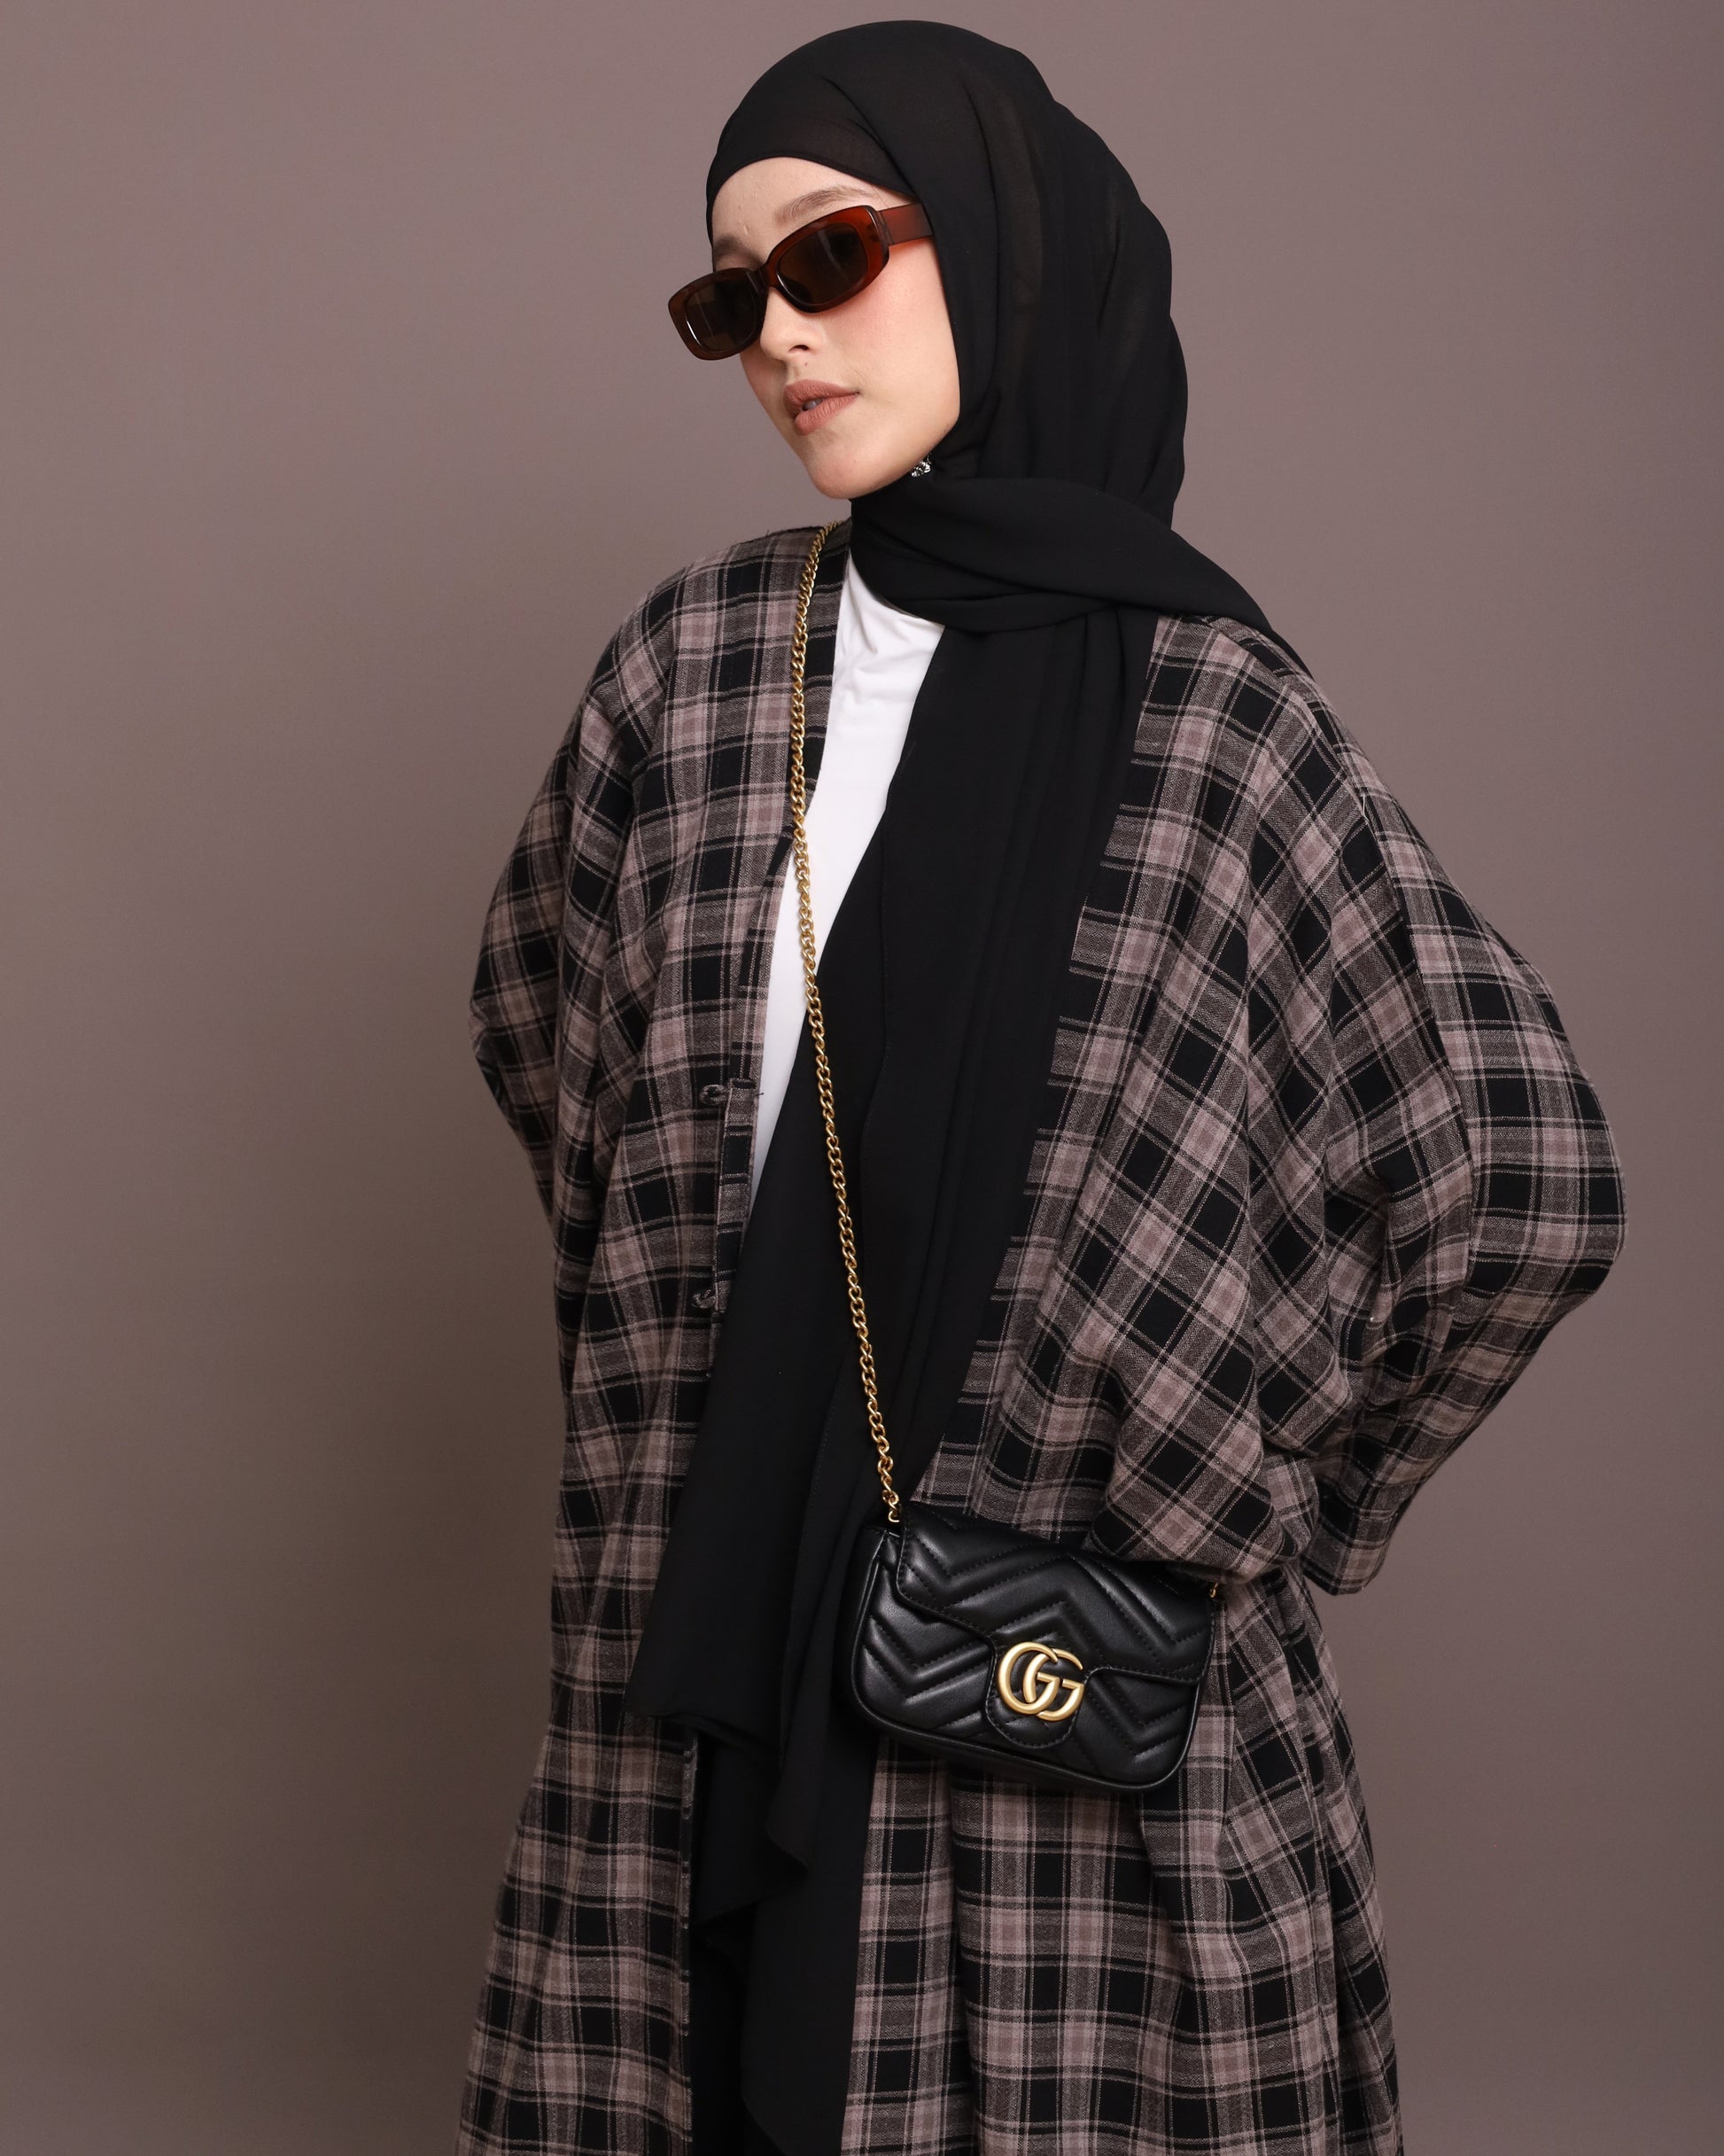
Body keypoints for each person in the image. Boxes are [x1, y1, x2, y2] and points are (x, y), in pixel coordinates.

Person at [455, 24, 1624, 2156]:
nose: (779, 336)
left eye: (831, 257)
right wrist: (735, 1362)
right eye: (730, 297)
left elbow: (1520, 1183)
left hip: (1054, 1713)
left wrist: (1247, 1482)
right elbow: (554, 1039)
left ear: (1002, 243)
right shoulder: (691, 675)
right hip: (699, 1649)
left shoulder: (1217, 724)